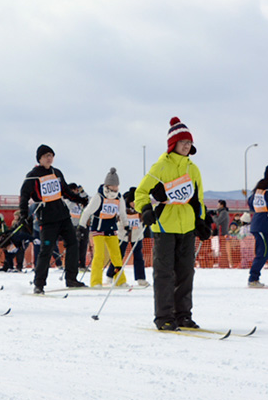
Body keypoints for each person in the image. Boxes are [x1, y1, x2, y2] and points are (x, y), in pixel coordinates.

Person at [134, 117, 209, 330]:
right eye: (183, 142)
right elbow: (141, 193)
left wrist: (201, 222)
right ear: (173, 144)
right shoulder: (160, 167)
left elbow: (198, 200)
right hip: (165, 227)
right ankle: (164, 316)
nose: (187, 146)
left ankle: (183, 314)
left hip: (186, 227)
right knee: (165, 273)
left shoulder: (193, 169)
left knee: (186, 272)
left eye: (189, 143)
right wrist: (146, 209)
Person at [19, 145, 88, 294]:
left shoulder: (56, 172)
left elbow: (66, 192)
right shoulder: (33, 175)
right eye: (46, 156)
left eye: (51, 155)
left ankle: (71, 278)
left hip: (63, 215)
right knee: (46, 250)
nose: (49, 158)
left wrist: (80, 200)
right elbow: (24, 195)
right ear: (39, 158)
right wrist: (24, 214)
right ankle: (39, 284)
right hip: (47, 219)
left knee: (73, 243)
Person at [79, 168, 128, 287]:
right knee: (99, 255)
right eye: (113, 186)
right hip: (98, 229)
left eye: (117, 186)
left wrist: (126, 225)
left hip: (111, 229)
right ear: (107, 186)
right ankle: (96, 281)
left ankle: (120, 280)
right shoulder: (99, 197)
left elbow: (122, 213)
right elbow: (87, 211)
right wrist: (81, 225)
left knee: (116, 255)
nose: (115, 189)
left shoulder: (118, 197)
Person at [119, 187, 148, 285]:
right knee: (119, 255)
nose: (134, 204)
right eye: (132, 202)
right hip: (123, 235)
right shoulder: (123, 207)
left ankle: (141, 278)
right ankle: (112, 275)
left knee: (138, 256)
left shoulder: (140, 207)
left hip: (137, 235)